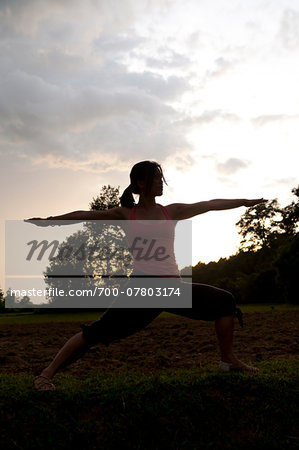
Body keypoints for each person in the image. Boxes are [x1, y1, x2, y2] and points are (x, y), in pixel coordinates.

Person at [30, 160, 266, 391]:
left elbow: (208, 204)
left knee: (225, 301)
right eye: (155, 178)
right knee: (97, 332)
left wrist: (242, 202)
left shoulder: (170, 211)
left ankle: (229, 361)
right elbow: (87, 214)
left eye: (160, 178)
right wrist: (51, 222)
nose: (161, 183)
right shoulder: (125, 214)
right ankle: (45, 375)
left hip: (172, 288)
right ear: (141, 183)